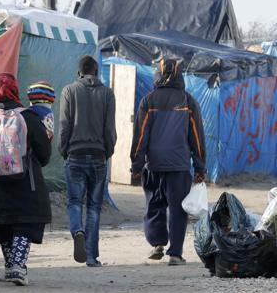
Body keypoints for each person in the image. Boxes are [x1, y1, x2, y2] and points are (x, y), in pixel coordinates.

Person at [0, 73, 52, 286]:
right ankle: (19, 266)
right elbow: (44, 153)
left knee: (4, 223)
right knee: (24, 223)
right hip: (25, 180)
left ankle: (10, 266)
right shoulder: (29, 117)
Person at [130, 58, 206, 266]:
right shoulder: (188, 101)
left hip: (153, 165)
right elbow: (197, 138)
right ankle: (175, 253)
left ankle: (157, 243)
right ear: (179, 75)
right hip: (179, 165)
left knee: (154, 204)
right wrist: (200, 167)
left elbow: (140, 136)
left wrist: (136, 166)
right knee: (178, 209)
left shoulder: (148, 101)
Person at [58, 55, 117, 267]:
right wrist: (107, 151)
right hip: (99, 156)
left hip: (75, 154)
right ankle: (91, 257)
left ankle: (77, 231)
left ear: (79, 72)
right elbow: (110, 129)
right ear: (97, 72)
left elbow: (64, 126)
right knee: (93, 206)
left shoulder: (69, 91)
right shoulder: (108, 94)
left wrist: (64, 150)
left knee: (74, 201)